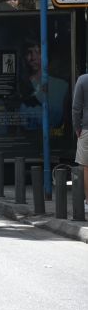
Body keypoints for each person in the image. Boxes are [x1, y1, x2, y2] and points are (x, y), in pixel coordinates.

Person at [72, 72, 88, 210]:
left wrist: (77, 127)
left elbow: (76, 108)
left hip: (87, 129)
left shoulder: (83, 80)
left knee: (86, 167)